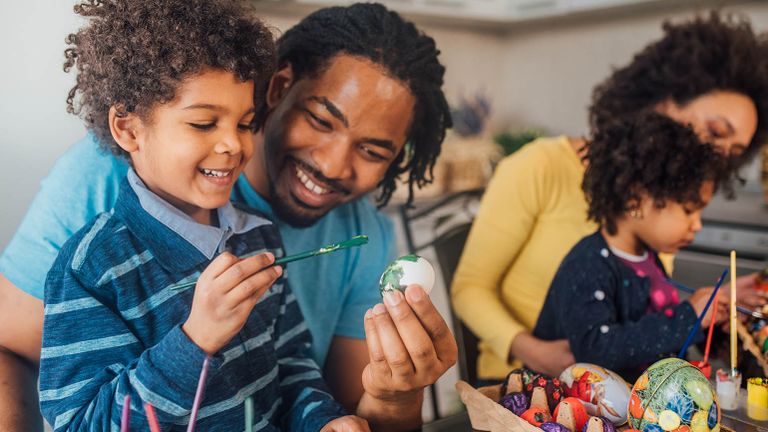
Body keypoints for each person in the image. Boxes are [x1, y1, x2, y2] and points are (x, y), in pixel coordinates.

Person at [0, 3, 456, 431]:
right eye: (203, 123)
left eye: (243, 123)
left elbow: (292, 367)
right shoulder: (89, 261)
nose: (234, 145)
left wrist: (341, 415)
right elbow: (80, 417)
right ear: (127, 129)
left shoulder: (259, 237)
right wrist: (195, 340)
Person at [451, 11, 768, 381]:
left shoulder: (658, 214)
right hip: (523, 385)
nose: (716, 158)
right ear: (664, 100)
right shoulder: (541, 166)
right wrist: (535, 352)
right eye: (715, 132)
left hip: (609, 387)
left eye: (732, 153)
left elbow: (633, 319)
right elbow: (469, 288)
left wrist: (711, 308)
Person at [533, 113, 729, 380]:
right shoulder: (588, 264)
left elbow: (656, 337)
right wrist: (688, 318)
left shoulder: (649, 258)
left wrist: (709, 324)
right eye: (688, 210)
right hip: (586, 416)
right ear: (634, 201)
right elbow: (596, 351)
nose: (697, 225)